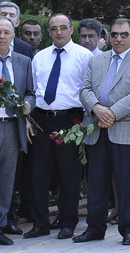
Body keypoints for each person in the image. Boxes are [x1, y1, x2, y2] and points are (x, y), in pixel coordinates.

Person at [75, 18, 130, 245]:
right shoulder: (96, 61)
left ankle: (128, 229)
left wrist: (111, 114)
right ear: (109, 36)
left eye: (124, 35)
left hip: (126, 130)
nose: (119, 39)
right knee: (96, 182)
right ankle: (95, 228)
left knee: (127, 183)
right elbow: (85, 89)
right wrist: (97, 109)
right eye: (115, 34)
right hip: (96, 130)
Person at [26, 13, 93, 240]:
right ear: (49, 32)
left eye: (63, 27)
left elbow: (89, 89)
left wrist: (85, 120)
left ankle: (67, 222)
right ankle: (40, 223)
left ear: (71, 29)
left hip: (70, 119)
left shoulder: (84, 56)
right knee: (39, 174)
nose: (59, 32)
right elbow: (33, 91)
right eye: (54, 28)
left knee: (69, 174)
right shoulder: (40, 57)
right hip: (41, 119)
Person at [0, 17, 35, 246]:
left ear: (14, 36)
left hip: (12, 127)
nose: (1, 35)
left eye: (6, 31)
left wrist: (28, 105)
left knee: (6, 179)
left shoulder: (23, 61)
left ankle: (1, 224)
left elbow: (30, 92)